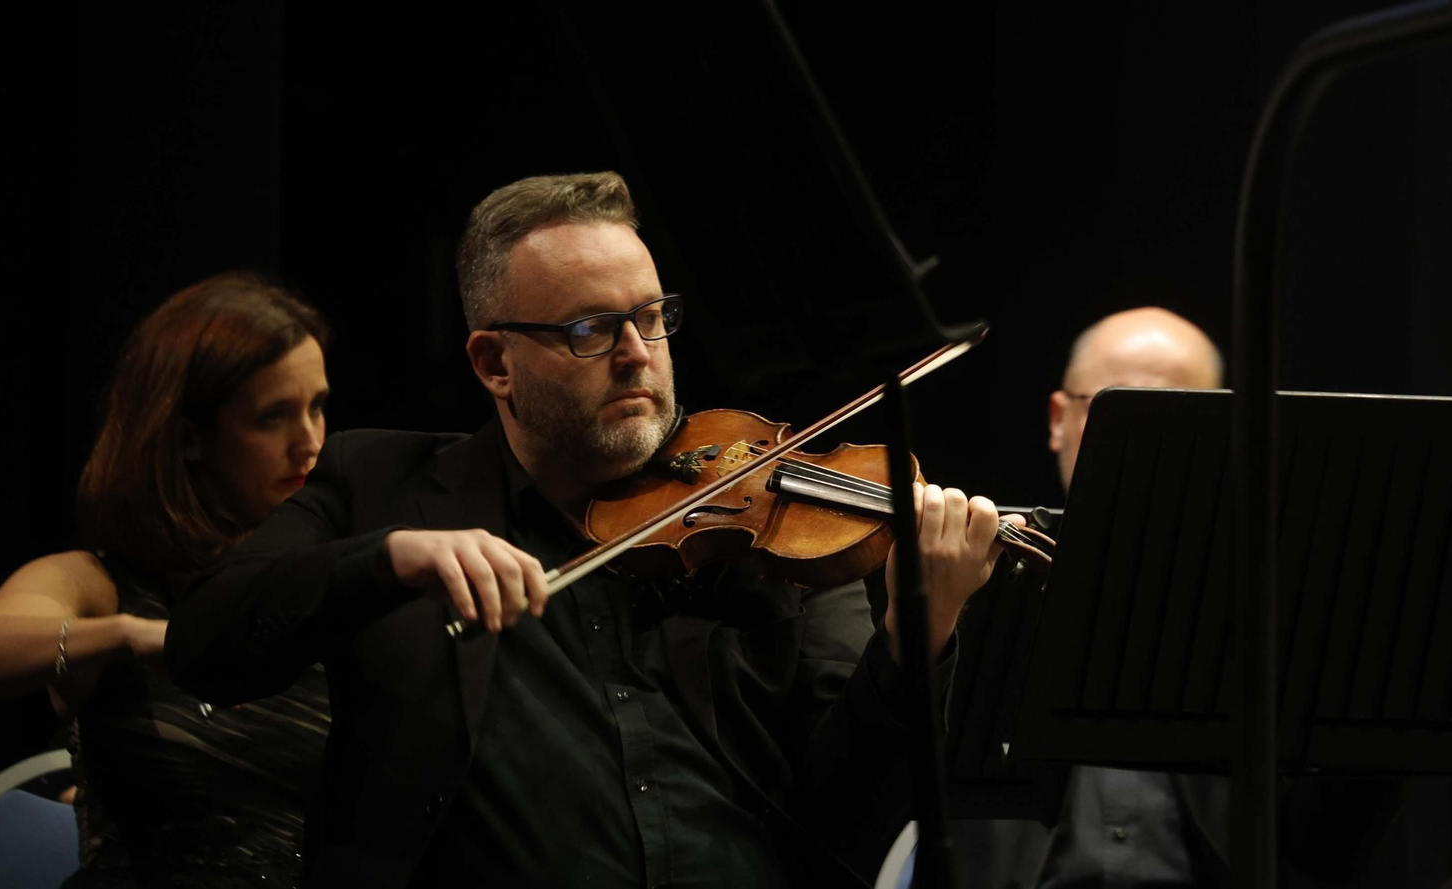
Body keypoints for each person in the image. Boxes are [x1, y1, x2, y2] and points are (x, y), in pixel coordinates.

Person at [165, 172, 1021, 888]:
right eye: (589, 330)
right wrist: (388, 561)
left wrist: (916, 642)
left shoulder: (778, 527)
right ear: (494, 362)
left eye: (652, 317)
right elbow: (206, 640)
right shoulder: (379, 485)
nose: (639, 353)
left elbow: (838, 822)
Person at [955, 306, 1415, 888]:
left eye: (1175, 414)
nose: (1140, 441)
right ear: (1057, 418)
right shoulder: (976, 575)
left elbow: (1329, 845)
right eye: (1113, 406)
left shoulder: (1274, 602)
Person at [0, 272, 334, 888]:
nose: (310, 443)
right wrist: (129, 637)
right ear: (190, 439)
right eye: (273, 417)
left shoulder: (325, 577)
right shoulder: (99, 585)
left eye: (318, 406)